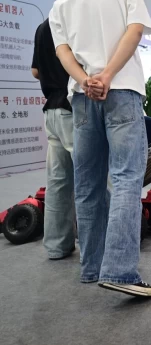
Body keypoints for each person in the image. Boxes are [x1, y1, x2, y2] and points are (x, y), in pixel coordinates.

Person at [49, 0, 151, 297]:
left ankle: (93, 266)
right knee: (126, 179)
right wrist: (108, 75)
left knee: (87, 184)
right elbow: (134, 32)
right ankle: (121, 271)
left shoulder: (61, 3)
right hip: (121, 89)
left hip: (83, 97)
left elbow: (63, 52)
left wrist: (86, 80)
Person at [31, 16, 76, 260]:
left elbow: (35, 71)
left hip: (51, 110)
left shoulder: (42, 27)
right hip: (74, 107)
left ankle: (57, 246)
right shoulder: (73, 19)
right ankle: (101, 246)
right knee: (94, 178)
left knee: (57, 182)